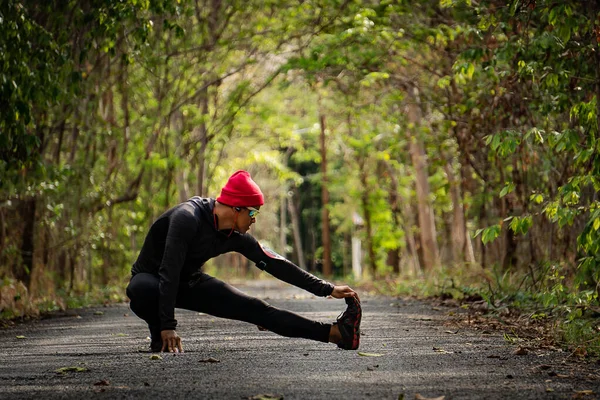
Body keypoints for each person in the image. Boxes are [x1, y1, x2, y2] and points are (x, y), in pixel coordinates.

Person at [126, 170, 362, 353]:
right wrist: (167, 325)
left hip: (188, 282)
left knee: (259, 310)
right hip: (153, 280)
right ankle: (158, 334)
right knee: (139, 288)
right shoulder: (187, 218)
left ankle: (336, 334)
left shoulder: (234, 236)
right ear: (236, 208)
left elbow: (276, 264)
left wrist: (327, 289)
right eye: (252, 213)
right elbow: (169, 270)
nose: (254, 220)